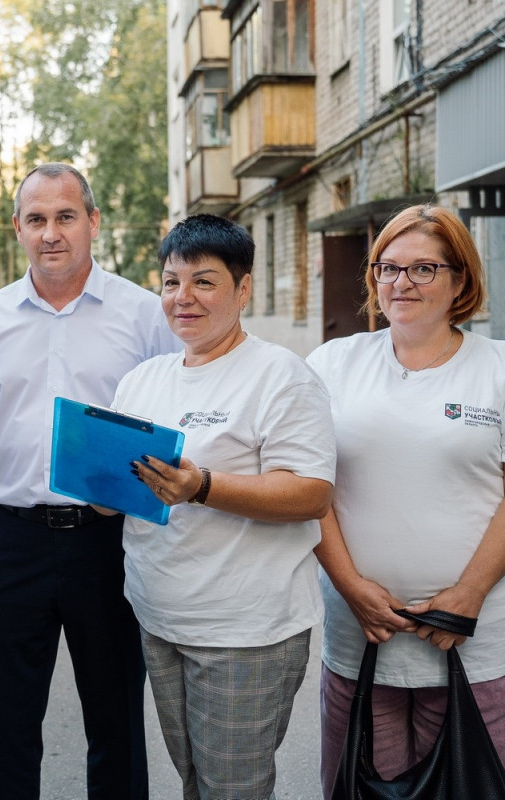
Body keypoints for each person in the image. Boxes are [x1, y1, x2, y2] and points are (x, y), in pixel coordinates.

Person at [306, 204, 505, 799]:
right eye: (387, 267)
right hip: (361, 640)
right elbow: (310, 487)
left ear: (461, 279)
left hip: (479, 645)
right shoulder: (332, 365)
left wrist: (469, 593)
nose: (401, 283)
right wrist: (351, 586)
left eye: (424, 268)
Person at [0, 162, 180, 799]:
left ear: (93, 222)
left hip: (109, 541)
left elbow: (171, 428)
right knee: (8, 727)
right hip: (12, 541)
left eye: (66, 216)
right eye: (37, 219)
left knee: (117, 719)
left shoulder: (145, 314)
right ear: (17, 227)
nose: (52, 233)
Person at [113, 214, 336, 800]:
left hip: (245, 631)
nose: (182, 298)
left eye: (203, 282)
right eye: (170, 282)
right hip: (160, 618)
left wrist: (202, 486)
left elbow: (311, 492)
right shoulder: (141, 381)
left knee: (231, 789)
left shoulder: (281, 377)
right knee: (195, 780)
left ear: (243, 290)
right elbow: (133, 496)